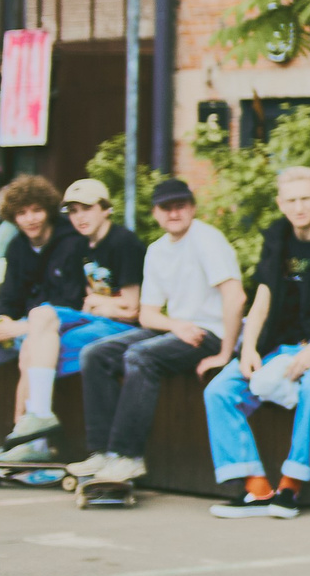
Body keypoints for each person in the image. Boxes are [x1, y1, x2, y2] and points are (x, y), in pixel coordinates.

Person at [205, 166, 310, 517]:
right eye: (291, 200)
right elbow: (262, 299)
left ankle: (290, 487)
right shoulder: (277, 239)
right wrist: (248, 347)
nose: (299, 207)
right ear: (281, 204)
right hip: (278, 342)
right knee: (219, 391)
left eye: (306, 199)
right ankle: (257, 488)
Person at [0, 177, 143, 459]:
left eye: (36, 211)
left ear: (48, 210)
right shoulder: (18, 247)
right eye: (21, 213)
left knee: (32, 349)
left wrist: (17, 328)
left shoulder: (75, 244)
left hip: (45, 327)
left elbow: (74, 305)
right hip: (20, 327)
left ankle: (29, 442)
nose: (29, 219)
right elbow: (9, 297)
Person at [71, 178, 244, 489]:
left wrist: (225, 353)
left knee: (140, 356)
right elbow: (148, 314)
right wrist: (175, 324)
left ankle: (128, 456)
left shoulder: (207, 240)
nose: (174, 213)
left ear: (192, 208)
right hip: (179, 331)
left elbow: (236, 297)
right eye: (166, 207)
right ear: (155, 213)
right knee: (95, 354)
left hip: (212, 333)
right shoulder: (157, 250)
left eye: (180, 206)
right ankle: (104, 451)